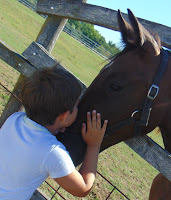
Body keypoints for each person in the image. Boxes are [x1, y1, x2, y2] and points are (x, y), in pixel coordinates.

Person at [0, 65, 108, 200]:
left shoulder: (15, 119)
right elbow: (83, 188)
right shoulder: (52, 152)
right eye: (76, 106)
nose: (77, 108)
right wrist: (94, 145)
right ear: (64, 116)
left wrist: (54, 129)